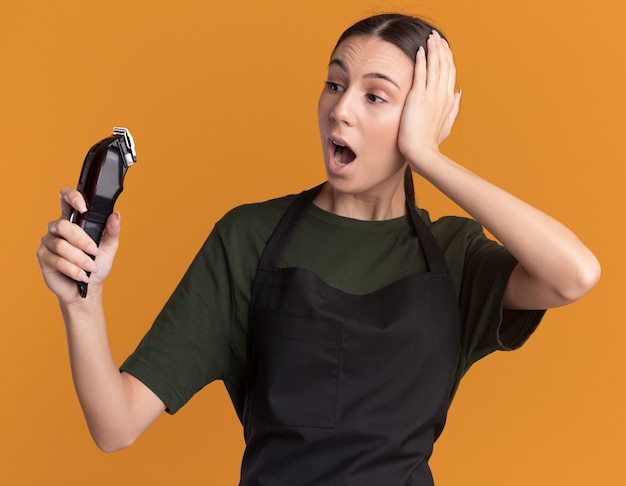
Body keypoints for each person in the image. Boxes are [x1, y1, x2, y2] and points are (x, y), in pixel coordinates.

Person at [36, 13, 600, 486]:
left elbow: (574, 274)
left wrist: (427, 156)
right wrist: (81, 302)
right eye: (335, 84)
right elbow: (116, 426)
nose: (341, 109)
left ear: (422, 118)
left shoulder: (457, 256)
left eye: (376, 95)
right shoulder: (248, 238)